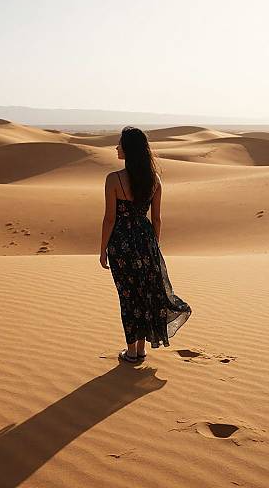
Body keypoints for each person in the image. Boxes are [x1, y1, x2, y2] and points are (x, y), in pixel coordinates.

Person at [100, 126, 192, 363]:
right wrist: (153, 248)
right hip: (146, 241)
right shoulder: (155, 180)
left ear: (129, 149)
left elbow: (110, 218)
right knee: (144, 295)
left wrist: (102, 251)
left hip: (121, 244)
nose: (117, 147)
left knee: (128, 297)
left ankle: (132, 352)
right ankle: (140, 349)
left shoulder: (113, 180)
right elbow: (157, 219)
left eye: (120, 144)